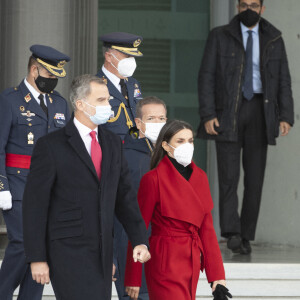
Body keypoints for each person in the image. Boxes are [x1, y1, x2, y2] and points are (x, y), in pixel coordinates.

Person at [22, 74, 151, 300]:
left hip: (102, 252)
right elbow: (35, 205)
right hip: (67, 250)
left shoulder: (112, 142)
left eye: (108, 99)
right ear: (80, 104)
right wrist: (37, 257)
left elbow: (124, 197)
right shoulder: (51, 146)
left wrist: (139, 238)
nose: (108, 105)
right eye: (101, 100)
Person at [197, 0, 294, 254]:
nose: (248, 9)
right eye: (243, 5)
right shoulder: (220, 36)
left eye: (253, 5)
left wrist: (286, 115)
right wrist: (208, 114)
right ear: (237, 8)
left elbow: (284, 79)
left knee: (255, 178)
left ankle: (246, 234)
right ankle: (231, 232)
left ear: (263, 8)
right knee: (228, 177)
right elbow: (206, 76)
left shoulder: (274, 38)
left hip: (261, 112)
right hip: (228, 112)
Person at [125, 120, 231, 300]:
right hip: (164, 261)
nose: (187, 146)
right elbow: (138, 227)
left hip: (191, 259)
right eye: (180, 141)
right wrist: (133, 276)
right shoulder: (153, 179)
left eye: (190, 141)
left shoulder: (201, 177)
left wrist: (217, 277)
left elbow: (207, 229)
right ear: (166, 146)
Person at [0, 44, 70, 300]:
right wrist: (1, 186)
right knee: (22, 243)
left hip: (49, 189)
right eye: (50, 75)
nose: (53, 81)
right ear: (34, 69)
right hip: (18, 185)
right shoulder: (9, 100)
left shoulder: (60, 104)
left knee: (41, 248)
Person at [113, 96, 167, 300]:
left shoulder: (171, 153)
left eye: (161, 118)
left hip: (164, 246)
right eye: (151, 118)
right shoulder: (124, 154)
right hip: (133, 245)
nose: (158, 123)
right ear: (138, 123)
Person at [96, 32, 144, 140]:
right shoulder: (94, 85)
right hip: (110, 151)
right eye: (127, 56)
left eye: (133, 57)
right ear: (109, 57)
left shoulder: (133, 84)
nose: (131, 61)